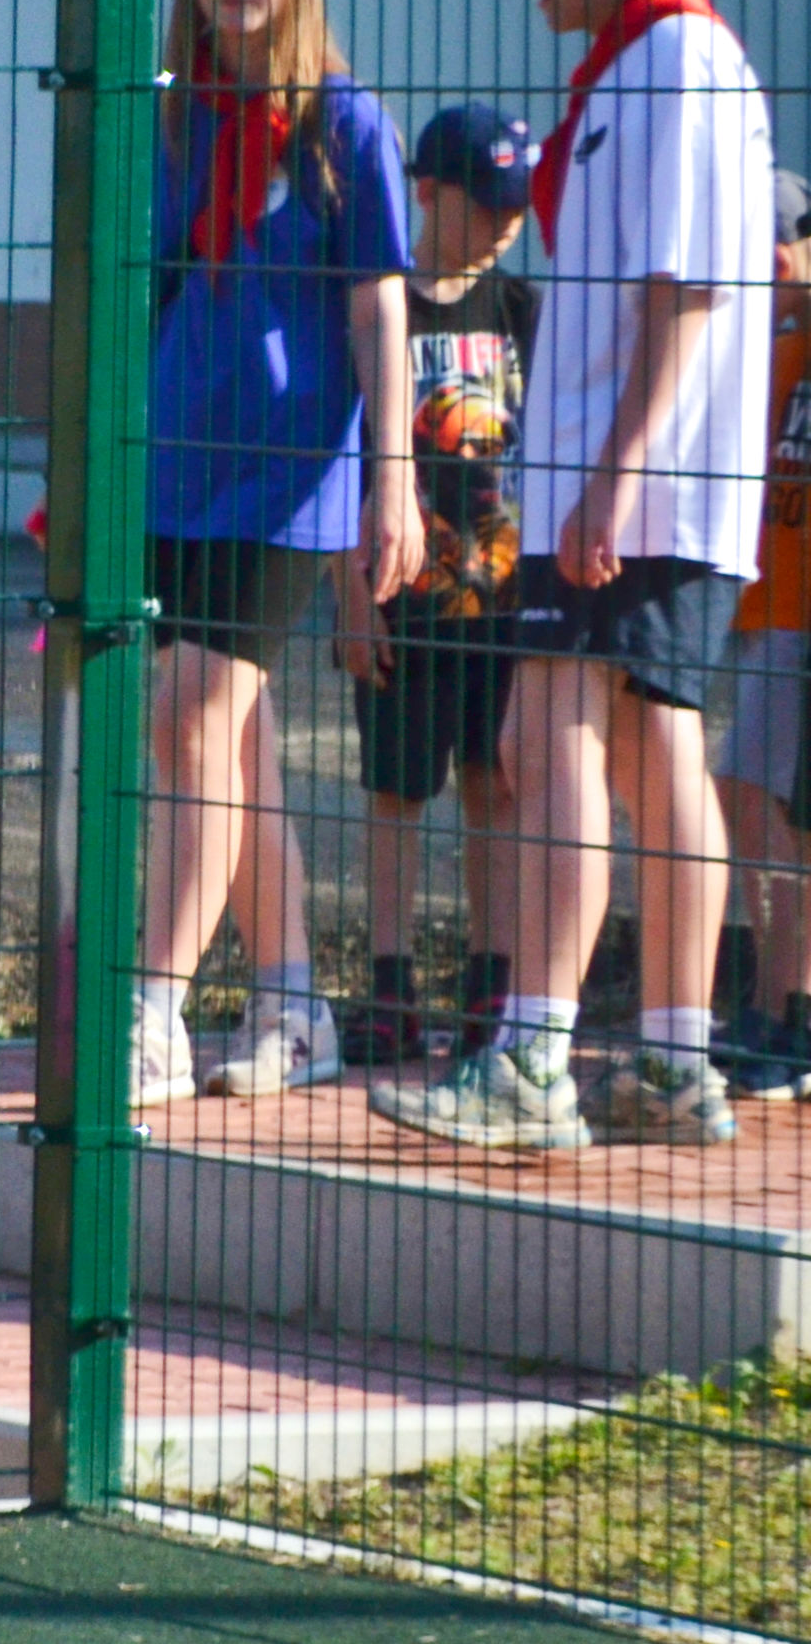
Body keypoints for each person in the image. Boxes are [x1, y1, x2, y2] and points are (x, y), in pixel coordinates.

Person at [380, 0, 784, 1155]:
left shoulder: (677, 62)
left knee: (548, 734)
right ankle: (672, 1062)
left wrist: (614, 477)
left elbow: (689, 291)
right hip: (626, 484)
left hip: (635, 488)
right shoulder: (636, 64)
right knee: (649, 750)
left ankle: (534, 1061)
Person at [125, 0, 424, 1110]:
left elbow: (379, 306)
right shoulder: (173, 115)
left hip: (291, 481)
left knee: (190, 721)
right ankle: (296, 1008)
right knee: (230, 741)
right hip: (176, 468)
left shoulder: (345, 123)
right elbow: (143, 287)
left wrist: (393, 480)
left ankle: (149, 1009)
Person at [338, 109, 540, 1068]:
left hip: (502, 605)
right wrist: (350, 598)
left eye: (518, 205)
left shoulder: (522, 310)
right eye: (487, 202)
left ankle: (491, 983)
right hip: (401, 601)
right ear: (425, 191)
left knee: (495, 786)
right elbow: (340, 464)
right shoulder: (384, 313)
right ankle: (391, 986)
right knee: (396, 793)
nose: (507, 222)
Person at [726, 169, 811, 1100]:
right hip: (765, 604)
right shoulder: (776, 345)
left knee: (762, 805)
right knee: (748, 798)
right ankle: (772, 999)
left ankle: (785, 1010)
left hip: (795, 616)